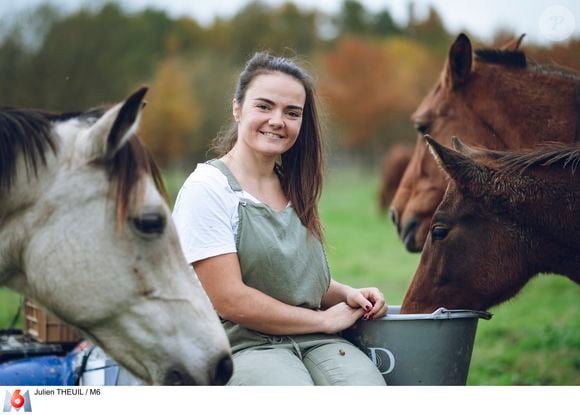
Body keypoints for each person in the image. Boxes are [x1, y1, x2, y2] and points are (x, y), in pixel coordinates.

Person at [172, 52, 388, 386]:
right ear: (237, 108)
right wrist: (324, 321)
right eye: (264, 106)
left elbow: (288, 280)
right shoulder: (208, 189)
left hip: (311, 340)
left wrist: (347, 294)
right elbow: (230, 300)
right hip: (238, 345)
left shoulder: (294, 187)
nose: (277, 120)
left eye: (292, 113)